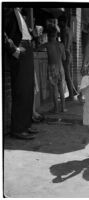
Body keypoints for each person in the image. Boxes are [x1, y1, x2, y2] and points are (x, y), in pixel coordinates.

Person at [4, 7, 39, 139]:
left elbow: (23, 33)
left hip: (27, 47)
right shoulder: (6, 10)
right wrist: (13, 49)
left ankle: (26, 125)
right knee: (21, 89)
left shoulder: (20, 13)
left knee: (28, 89)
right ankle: (18, 129)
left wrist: (33, 33)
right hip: (19, 49)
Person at [37, 24, 66, 113]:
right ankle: (63, 108)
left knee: (55, 89)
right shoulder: (61, 45)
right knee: (61, 88)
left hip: (52, 67)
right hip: (60, 67)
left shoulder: (47, 45)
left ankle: (56, 109)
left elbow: (37, 48)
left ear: (48, 36)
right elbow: (64, 58)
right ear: (56, 35)